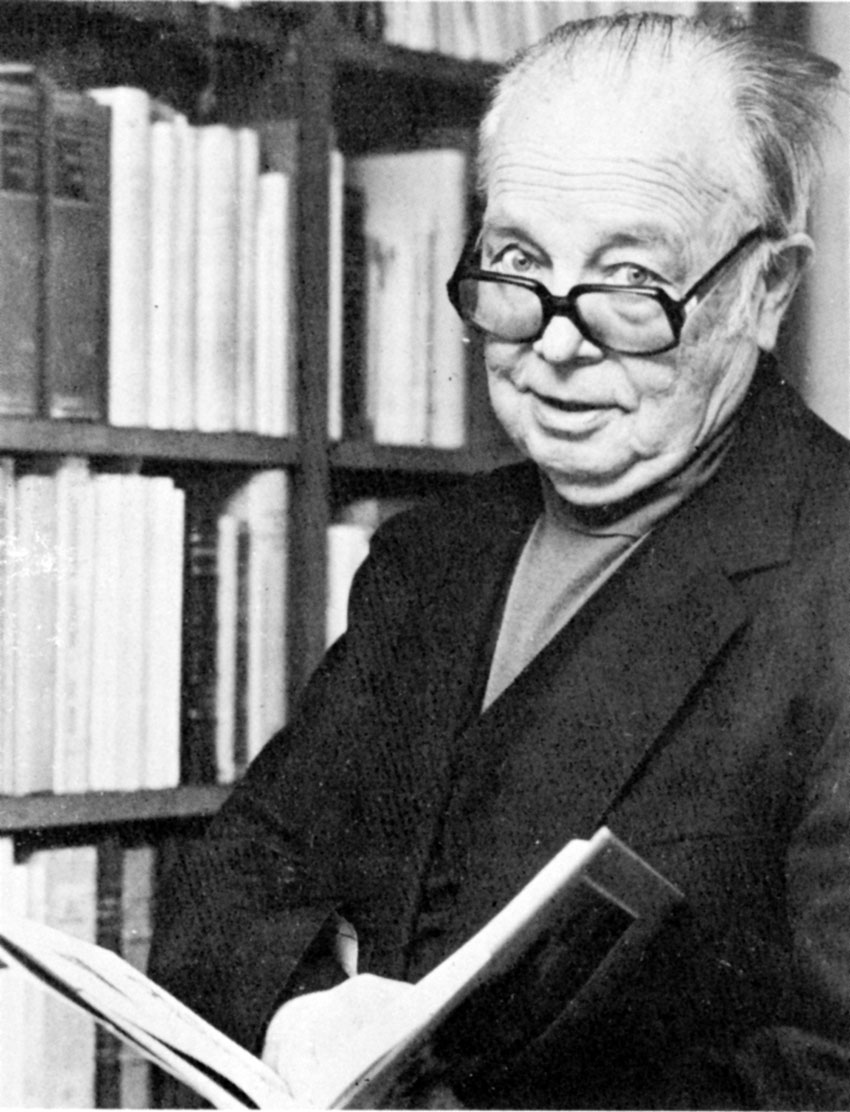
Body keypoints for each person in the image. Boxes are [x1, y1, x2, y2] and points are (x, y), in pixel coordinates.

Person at [148, 10, 850, 1108]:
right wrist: (304, 1022)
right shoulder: (433, 556)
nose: (555, 342)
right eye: (518, 265)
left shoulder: (833, 575)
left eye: (631, 282)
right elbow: (234, 881)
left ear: (766, 289)